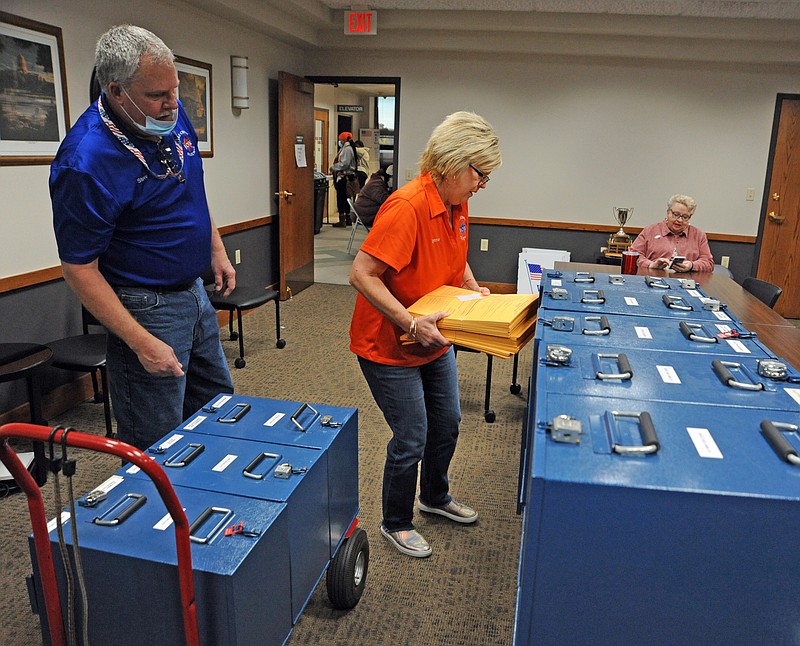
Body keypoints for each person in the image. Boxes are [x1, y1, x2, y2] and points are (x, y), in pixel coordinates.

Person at [50, 25, 235, 450]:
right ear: (116, 91)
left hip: (194, 294)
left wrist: (216, 247)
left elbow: (191, 189)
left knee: (218, 413)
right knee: (157, 442)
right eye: (159, 95)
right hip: (145, 307)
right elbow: (79, 269)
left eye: (175, 92)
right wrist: (141, 343)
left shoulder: (166, 114)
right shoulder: (84, 161)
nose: (173, 104)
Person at [349, 111, 501, 558]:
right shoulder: (408, 206)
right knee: (411, 436)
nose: (482, 185)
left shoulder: (457, 203)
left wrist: (471, 286)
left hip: (433, 338)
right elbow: (363, 273)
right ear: (453, 162)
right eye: (481, 174)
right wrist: (410, 322)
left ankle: (434, 497)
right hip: (388, 345)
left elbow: (456, 254)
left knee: (448, 424)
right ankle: (395, 521)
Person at [629, 194, 714, 272]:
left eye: (685, 217)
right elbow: (633, 256)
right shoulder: (650, 231)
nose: (680, 220)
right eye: (676, 214)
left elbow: (708, 263)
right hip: (653, 280)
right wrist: (651, 265)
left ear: (690, 217)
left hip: (686, 283)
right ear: (668, 212)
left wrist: (692, 265)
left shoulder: (699, 235)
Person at [330, 131, 358, 228]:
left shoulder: (347, 149)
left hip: (344, 178)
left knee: (341, 199)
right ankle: (348, 218)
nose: (339, 141)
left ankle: (342, 219)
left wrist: (334, 168)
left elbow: (344, 164)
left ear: (343, 140)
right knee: (346, 199)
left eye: (340, 140)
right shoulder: (348, 148)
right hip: (346, 177)